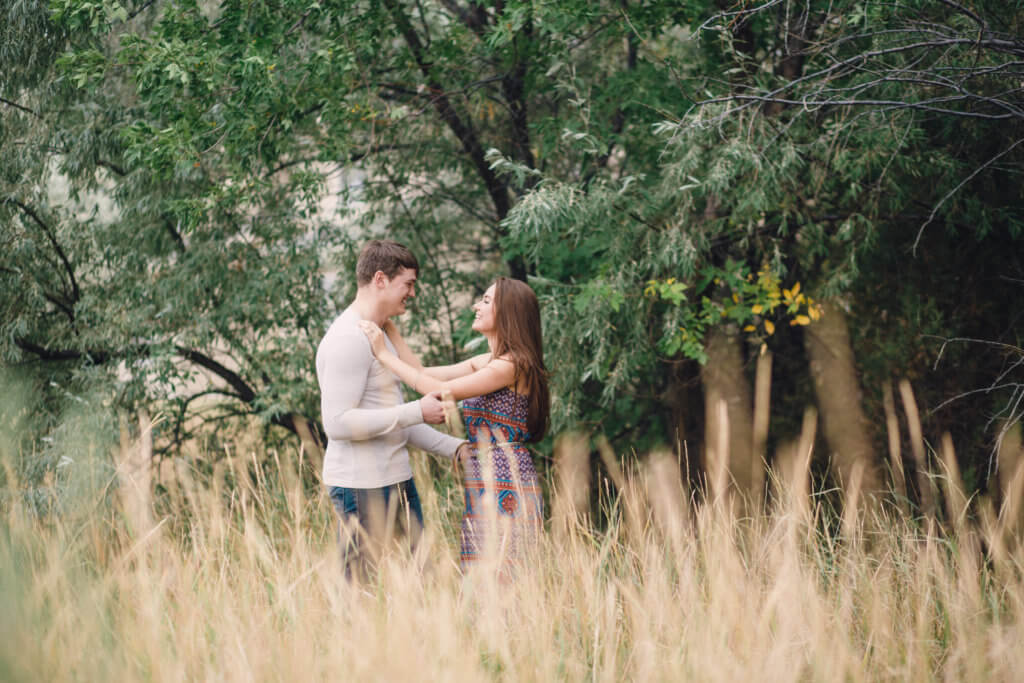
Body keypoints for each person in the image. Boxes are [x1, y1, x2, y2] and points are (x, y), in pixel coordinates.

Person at [359, 277, 550, 574]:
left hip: (506, 478)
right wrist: (389, 327)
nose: (476, 305)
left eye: (486, 301)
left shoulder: (512, 365)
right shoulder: (489, 361)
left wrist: (383, 354)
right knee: (480, 572)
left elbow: (438, 390)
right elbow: (420, 371)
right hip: (485, 477)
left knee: (501, 575)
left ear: (509, 312)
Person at [316, 239, 471, 578]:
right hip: (362, 487)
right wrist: (417, 410)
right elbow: (338, 424)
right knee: (362, 594)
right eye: (409, 284)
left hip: (397, 480)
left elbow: (395, 417)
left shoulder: (380, 335)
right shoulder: (348, 339)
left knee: (420, 586)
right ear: (381, 280)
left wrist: (456, 448)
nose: (412, 294)